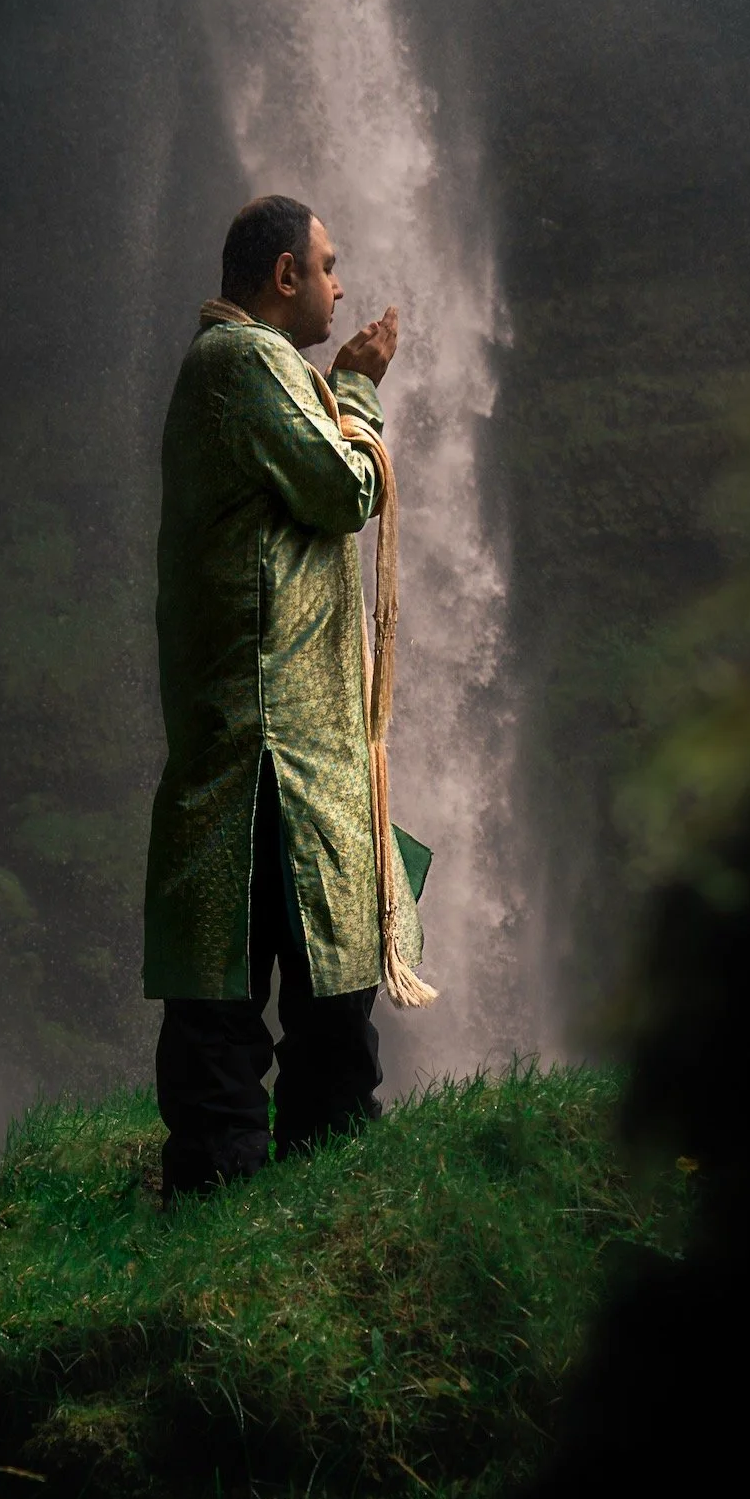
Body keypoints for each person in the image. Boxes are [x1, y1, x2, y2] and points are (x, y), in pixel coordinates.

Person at [143, 193, 427, 1201]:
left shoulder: (234, 369)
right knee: (262, 995)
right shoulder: (246, 363)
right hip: (273, 745)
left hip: (279, 741)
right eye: (329, 263)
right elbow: (347, 490)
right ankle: (238, 1190)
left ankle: (282, 1189)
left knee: (289, 985)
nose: (341, 283)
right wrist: (356, 386)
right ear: (283, 277)